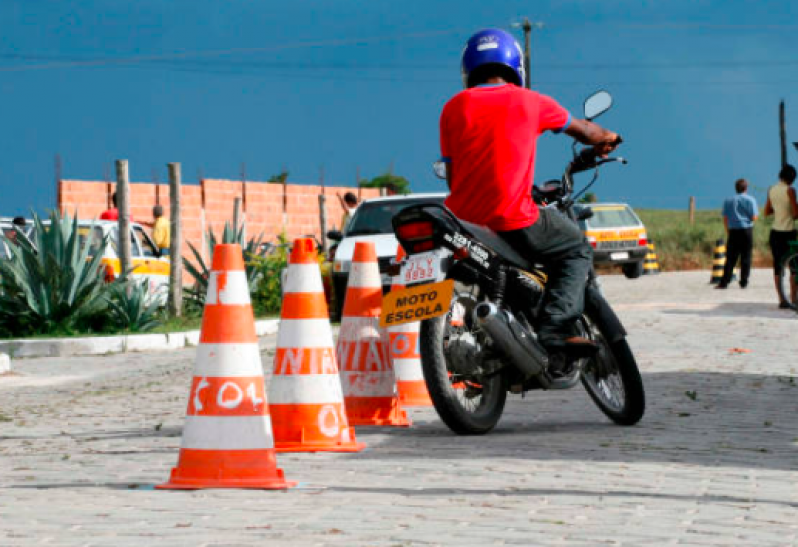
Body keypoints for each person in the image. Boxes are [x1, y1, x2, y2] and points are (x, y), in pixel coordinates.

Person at [440, 28, 620, 357]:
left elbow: (452, 177)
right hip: (511, 217)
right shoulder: (531, 101)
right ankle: (554, 328)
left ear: (468, 69)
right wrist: (607, 136)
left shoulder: (453, 107)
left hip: (463, 222)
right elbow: (585, 130)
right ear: (515, 66)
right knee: (576, 247)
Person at [764, 164, 798, 308]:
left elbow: (767, 211)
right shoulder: (790, 190)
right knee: (794, 267)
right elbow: (795, 214)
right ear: (792, 178)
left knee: (778, 267)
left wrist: (779, 210)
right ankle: (794, 298)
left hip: (775, 233)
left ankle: (781, 300)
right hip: (789, 232)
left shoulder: (772, 189)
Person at [717, 178, 758, 289]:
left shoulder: (728, 200)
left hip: (733, 230)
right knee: (746, 256)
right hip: (746, 230)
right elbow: (754, 217)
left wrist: (728, 230)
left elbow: (725, 218)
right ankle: (744, 281)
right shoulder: (751, 200)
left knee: (730, 257)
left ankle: (724, 282)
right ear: (746, 188)